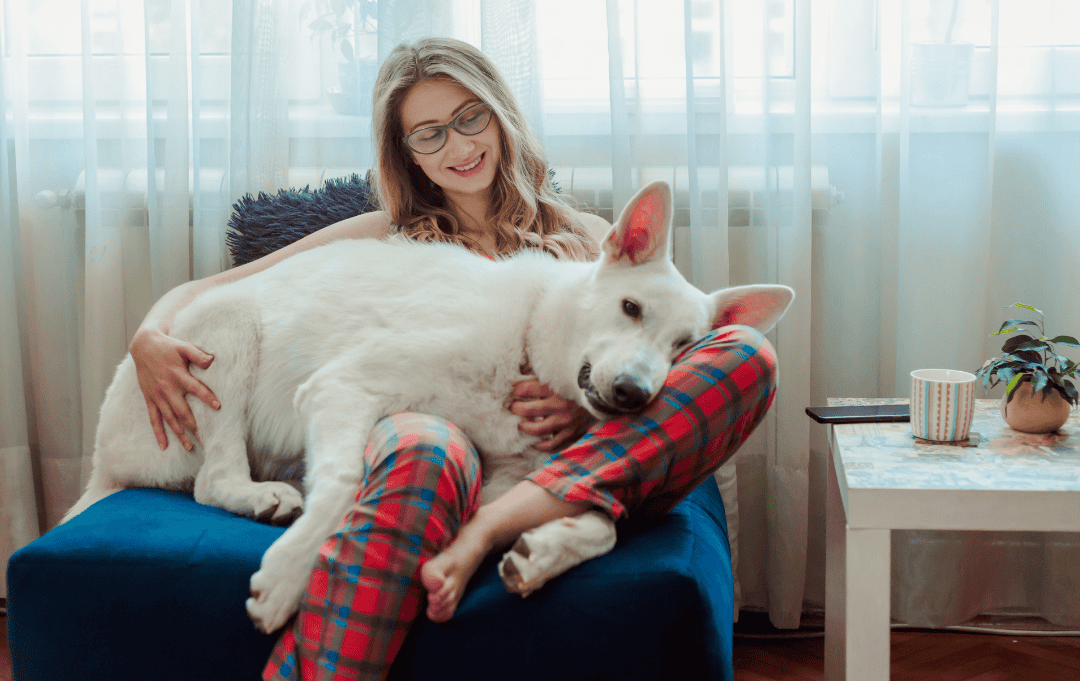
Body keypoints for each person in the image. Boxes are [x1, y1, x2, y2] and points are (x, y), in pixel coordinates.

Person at [128, 37, 778, 681]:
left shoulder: (586, 238)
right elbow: (220, 290)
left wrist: (586, 414)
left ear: (499, 115)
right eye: (429, 134)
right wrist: (149, 336)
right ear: (406, 152)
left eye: (470, 118)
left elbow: (664, 346)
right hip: (420, 421)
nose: (459, 147)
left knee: (746, 353)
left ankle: (535, 514)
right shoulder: (384, 232)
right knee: (427, 452)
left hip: (548, 454)